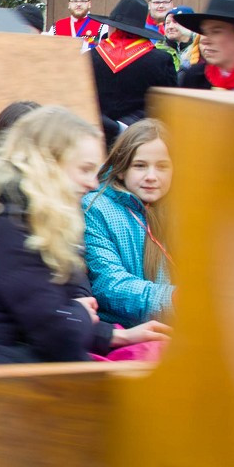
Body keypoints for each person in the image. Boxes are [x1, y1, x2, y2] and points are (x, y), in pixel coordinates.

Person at [0, 107, 171, 364]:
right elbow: (57, 327)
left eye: (163, 166)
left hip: (53, 353)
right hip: (19, 367)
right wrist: (79, 312)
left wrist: (103, 329)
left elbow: (67, 295)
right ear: (51, 164)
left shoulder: (46, 216)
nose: (92, 183)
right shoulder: (7, 225)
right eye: (85, 169)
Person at [83, 119, 175, 327]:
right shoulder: (95, 208)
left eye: (162, 167)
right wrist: (177, 299)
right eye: (140, 166)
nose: (151, 176)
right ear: (122, 169)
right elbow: (109, 284)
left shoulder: (184, 209)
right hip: (126, 331)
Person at [88, 0, 178, 144]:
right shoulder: (161, 60)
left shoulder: (88, 57)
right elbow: (168, 108)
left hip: (95, 140)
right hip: (140, 142)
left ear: (112, 27)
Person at [161, 5, 200, 70]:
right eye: (167, 23)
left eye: (175, 22)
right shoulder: (158, 50)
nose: (170, 27)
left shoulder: (201, 49)